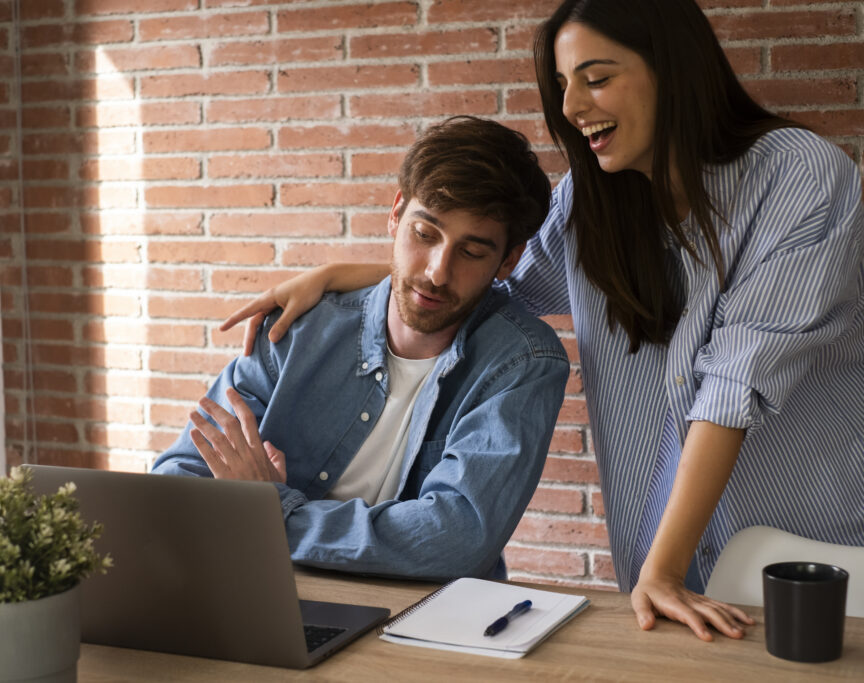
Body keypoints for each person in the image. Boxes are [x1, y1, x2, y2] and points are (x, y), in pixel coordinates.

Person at [221, 0, 864, 641]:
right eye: (562, 85)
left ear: (674, 70)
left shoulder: (799, 175)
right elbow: (487, 278)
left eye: (597, 77)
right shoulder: (592, 206)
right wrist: (343, 277)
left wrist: (662, 570)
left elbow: (734, 382)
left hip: (809, 559)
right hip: (658, 579)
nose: (572, 107)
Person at [153, 116, 569, 581]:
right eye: (424, 233)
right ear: (396, 215)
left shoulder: (521, 363)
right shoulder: (298, 330)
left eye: (471, 252)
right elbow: (179, 479)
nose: (436, 271)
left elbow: (457, 538)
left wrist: (273, 515)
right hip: (266, 591)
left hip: (421, 618)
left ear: (507, 261)